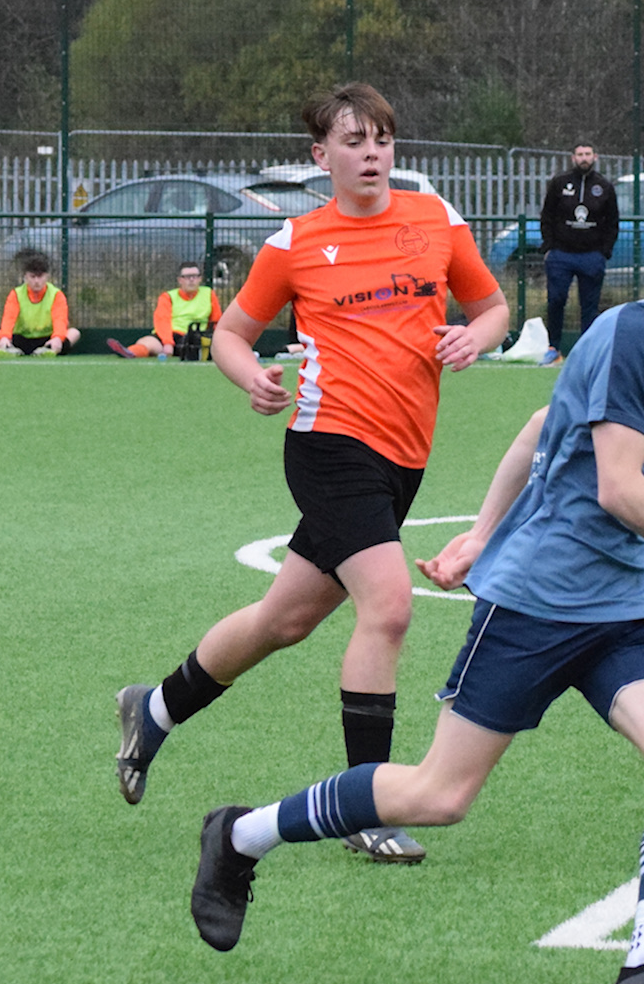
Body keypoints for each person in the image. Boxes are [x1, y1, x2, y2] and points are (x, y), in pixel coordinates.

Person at [186, 201, 644, 984]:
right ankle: (241, 834)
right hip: (537, 606)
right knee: (439, 794)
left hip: (616, 608)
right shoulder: (637, 337)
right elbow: (616, 484)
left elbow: (542, 425)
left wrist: (477, 531)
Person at [114, 83, 510, 866]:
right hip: (328, 446)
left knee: (283, 621)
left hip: (403, 458)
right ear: (318, 155)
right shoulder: (295, 242)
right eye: (355, 140)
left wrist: (479, 337)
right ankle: (366, 803)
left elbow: (491, 305)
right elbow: (232, 333)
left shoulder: (436, 222)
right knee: (390, 607)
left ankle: (152, 708)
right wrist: (250, 377)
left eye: (383, 139)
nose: (372, 153)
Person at [538, 141, 618, 362]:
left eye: (588, 154)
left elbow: (612, 222)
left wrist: (604, 252)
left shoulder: (604, 187)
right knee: (556, 300)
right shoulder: (559, 183)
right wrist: (549, 247)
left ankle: (587, 351)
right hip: (561, 255)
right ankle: (553, 348)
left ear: (595, 157)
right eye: (580, 154)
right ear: (573, 158)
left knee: (589, 306)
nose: (584, 158)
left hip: (592, 256)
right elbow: (547, 216)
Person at [106, 262, 220, 359]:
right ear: (180, 280)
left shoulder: (209, 294)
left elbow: (217, 320)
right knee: (147, 341)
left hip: (194, 338)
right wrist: (168, 343)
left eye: (195, 276)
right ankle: (130, 352)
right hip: (171, 336)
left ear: (200, 279)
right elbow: (162, 321)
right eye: (187, 277)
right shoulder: (168, 297)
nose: (191, 280)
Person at [0, 251, 79, 354]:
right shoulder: (16, 294)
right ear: (25, 277)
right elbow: (9, 318)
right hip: (20, 338)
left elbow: (60, 320)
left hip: (47, 340)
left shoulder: (56, 294)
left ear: (47, 276)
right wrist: (5, 337)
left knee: (74, 333)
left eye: (40, 277)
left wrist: (57, 337)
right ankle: (10, 349)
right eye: (32, 277)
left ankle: (49, 350)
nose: (36, 281)